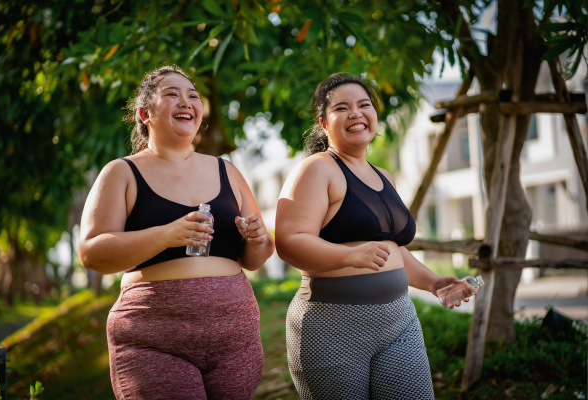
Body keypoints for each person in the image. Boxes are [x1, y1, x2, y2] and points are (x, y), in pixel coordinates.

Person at [78, 65, 275, 400]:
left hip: (235, 339)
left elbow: (256, 258)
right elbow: (92, 253)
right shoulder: (122, 173)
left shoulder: (226, 170)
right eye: (172, 94)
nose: (186, 101)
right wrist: (167, 235)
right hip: (153, 339)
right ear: (145, 113)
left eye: (193, 96)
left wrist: (258, 238)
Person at [275, 72, 473, 400]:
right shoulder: (317, 168)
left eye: (364, 104)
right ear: (324, 123)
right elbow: (290, 240)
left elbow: (392, 250)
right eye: (342, 108)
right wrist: (349, 255)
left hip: (399, 323)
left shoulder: (385, 177)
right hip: (331, 329)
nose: (356, 112)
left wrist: (433, 282)